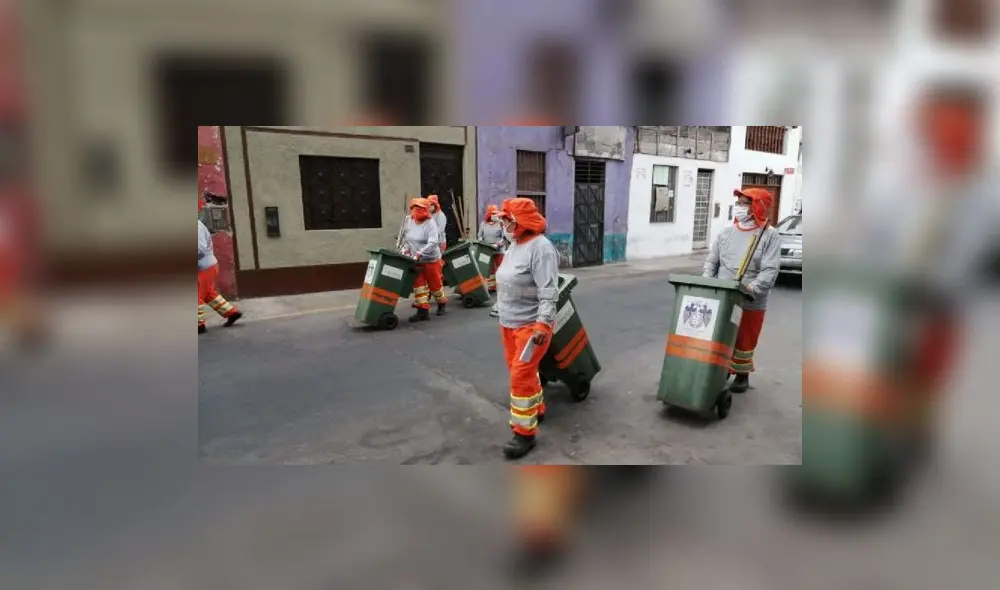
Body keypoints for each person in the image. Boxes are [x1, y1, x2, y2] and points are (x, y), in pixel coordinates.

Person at [494, 197, 559, 459]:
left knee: (520, 376)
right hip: (509, 323)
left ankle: (524, 433)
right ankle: (537, 408)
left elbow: (548, 290)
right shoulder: (514, 245)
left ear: (521, 222)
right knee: (520, 370)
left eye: (508, 220)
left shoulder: (540, 248)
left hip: (532, 326)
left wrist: (543, 323)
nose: (504, 224)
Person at [703, 188, 781, 393]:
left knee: (745, 337)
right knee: (721, 333)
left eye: (745, 203)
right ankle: (722, 369)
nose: (739, 207)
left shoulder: (769, 236)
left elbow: (770, 270)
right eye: (739, 202)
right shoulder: (726, 232)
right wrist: (708, 283)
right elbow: (712, 261)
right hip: (723, 294)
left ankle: (742, 375)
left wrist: (750, 289)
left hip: (751, 299)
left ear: (758, 206)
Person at [198, 198, 242, 334]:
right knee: (209, 294)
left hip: (203, 266)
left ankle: (199, 325)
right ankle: (231, 313)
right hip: (208, 265)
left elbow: (200, 249)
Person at [402, 197, 447, 321]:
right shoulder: (408, 221)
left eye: (421, 208)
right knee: (419, 285)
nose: (418, 211)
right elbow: (405, 238)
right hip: (415, 260)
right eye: (415, 208)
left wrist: (419, 253)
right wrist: (406, 250)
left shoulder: (430, 223)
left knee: (435, 285)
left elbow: (433, 242)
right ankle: (423, 310)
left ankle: (441, 303)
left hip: (431, 259)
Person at [478, 204, 508, 317]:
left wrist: (499, 244)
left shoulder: (500, 223)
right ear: (488, 215)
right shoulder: (483, 224)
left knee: (500, 268)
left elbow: (504, 236)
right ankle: (491, 287)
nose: (495, 215)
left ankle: (501, 286)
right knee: (489, 269)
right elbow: (480, 235)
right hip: (487, 250)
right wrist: (482, 241)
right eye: (493, 213)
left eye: (496, 213)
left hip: (499, 249)